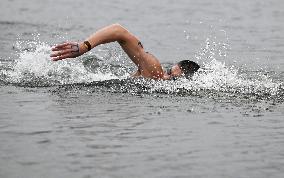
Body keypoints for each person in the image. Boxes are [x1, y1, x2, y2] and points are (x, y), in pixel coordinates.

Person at [50, 24, 200, 80]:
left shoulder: (157, 78)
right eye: (169, 72)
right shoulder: (155, 71)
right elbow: (118, 31)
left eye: (172, 78)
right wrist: (84, 46)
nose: (166, 77)